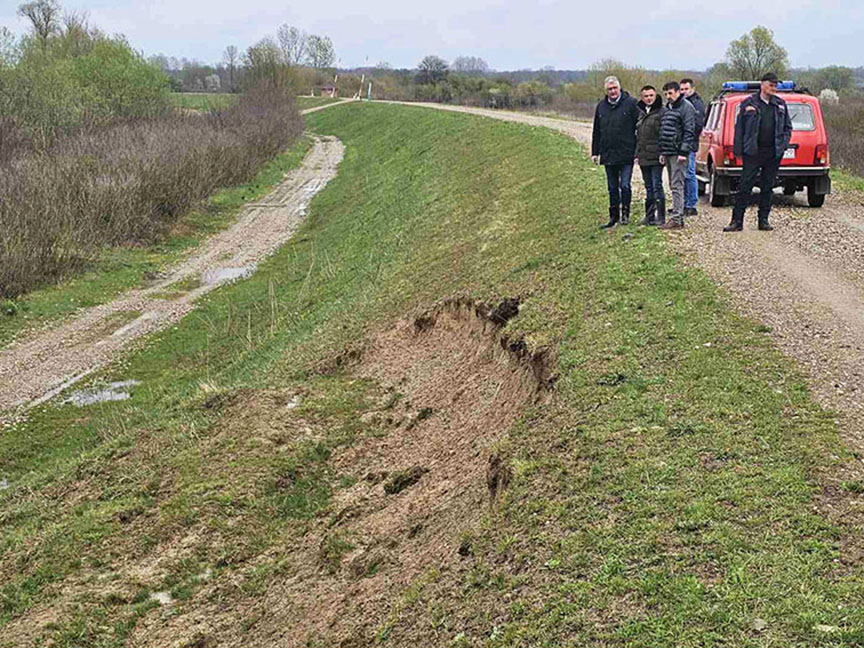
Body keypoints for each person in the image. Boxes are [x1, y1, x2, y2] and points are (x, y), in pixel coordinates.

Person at [724, 72, 793, 232]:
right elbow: (739, 128)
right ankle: (737, 221)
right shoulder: (749, 103)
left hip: (773, 152)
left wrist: (783, 144)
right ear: (762, 84)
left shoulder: (780, 104)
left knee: (767, 187)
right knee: (745, 186)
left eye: (775, 85)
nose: (773, 88)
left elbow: (787, 127)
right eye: (771, 84)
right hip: (753, 152)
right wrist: (738, 150)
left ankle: (763, 220)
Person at [592, 76, 639, 228]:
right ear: (606, 90)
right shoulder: (601, 107)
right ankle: (613, 216)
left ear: (620, 88)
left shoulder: (631, 104)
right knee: (612, 187)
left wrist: (638, 151)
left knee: (625, 185)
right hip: (608, 153)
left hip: (626, 152)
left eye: (615, 88)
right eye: (609, 89)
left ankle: (625, 214)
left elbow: (639, 128)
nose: (612, 92)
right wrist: (595, 151)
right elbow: (596, 131)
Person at [657, 81, 697, 230]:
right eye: (666, 94)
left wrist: (683, 152)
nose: (668, 96)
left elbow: (689, 130)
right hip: (668, 151)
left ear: (678, 92)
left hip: (678, 152)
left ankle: (677, 218)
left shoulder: (686, 107)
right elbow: (664, 130)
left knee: (677, 184)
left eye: (671, 93)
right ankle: (676, 213)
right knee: (673, 184)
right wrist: (662, 151)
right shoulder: (668, 108)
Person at [634, 85, 666, 226]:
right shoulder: (640, 112)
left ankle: (661, 216)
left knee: (657, 185)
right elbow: (638, 136)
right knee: (648, 187)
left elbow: (665, 134)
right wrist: (636, 154)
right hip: (643, 156)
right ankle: (649, 216)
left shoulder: (662, 112)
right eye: (646, 96)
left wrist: (663, 152)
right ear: (642, 97)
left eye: (651, 96)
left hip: (656, 156)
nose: (648, 98)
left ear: (655, 96)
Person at [680, 78, 706, 216]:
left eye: (686, 89)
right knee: (681, 175)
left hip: (689, 144)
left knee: (690, 174)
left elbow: (697, 126)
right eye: (682, 89)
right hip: (681, 144)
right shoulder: (682, 103)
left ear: (692, 89)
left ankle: (691, 204)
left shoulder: (697, 104)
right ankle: (683, 204)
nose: (684, 92)